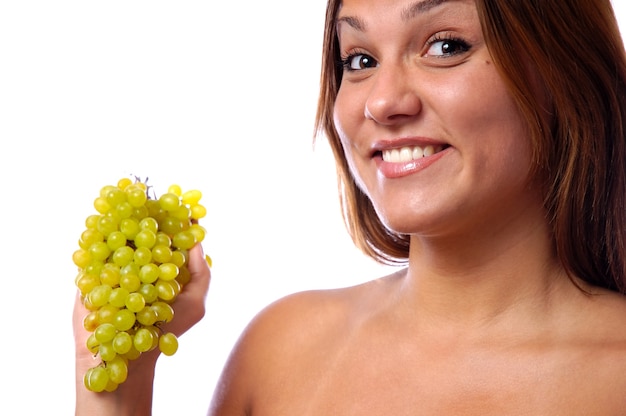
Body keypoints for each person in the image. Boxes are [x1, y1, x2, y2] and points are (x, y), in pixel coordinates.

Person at [74, 0, 626, 414]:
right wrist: (115, 377)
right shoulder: (281, 350)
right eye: (358, 59)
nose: (383, 102)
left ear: (562, 69)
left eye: (445, 47)